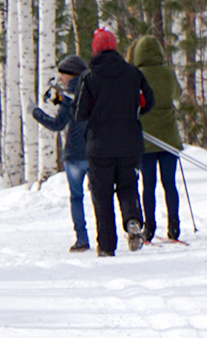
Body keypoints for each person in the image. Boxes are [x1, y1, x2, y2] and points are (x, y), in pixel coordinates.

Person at [73, 27, 153, 257]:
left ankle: (107, 246)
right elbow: (148, 102)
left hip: (100, 146)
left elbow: (79, 112)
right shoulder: (133, 73)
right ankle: (132, 221)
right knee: (128, 187)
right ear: (115, 47)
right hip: (129, 143)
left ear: (96, 50)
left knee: (102, 194)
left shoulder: (89, 78)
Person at [29, 54, 91, 253]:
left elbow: (57, 124)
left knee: (76, 197)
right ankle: (105, 235)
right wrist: (58, 100)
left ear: (71, 75)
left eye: (62, 75)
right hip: (93, 150)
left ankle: (82, 238)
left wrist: (35, 112)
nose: (60, 79)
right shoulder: (92, 90)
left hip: (74, 154)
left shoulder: (69, 95)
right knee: (99, 195)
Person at [128, 35, 184, 244]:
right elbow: (178, 93)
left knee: (148, 184)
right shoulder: (168, 74)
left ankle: (149, 227)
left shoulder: (136, 75)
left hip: (146, 138)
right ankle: (174, 224)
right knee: (169, 183)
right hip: (169, 137)